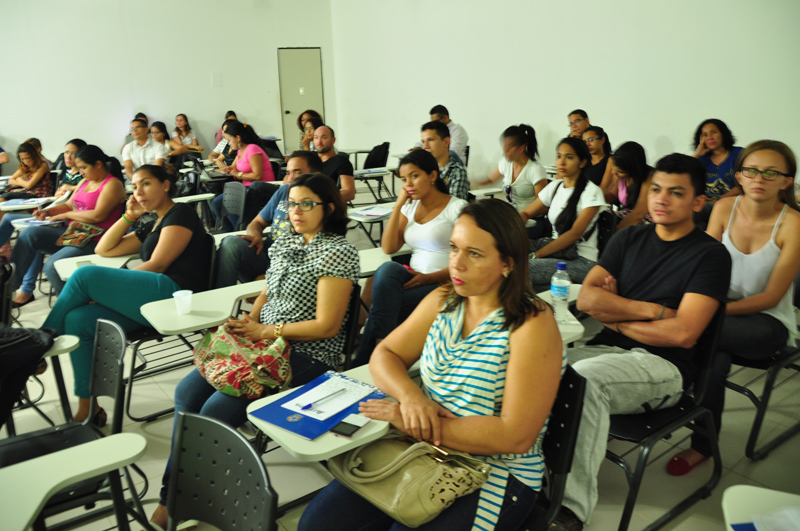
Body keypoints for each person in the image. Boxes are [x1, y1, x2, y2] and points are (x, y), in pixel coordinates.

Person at [300, 199, 564, 531]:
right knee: (318, 524)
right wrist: (412, 399)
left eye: (474, 254)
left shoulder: (531, 324)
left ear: (507, 263)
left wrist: (408, 421)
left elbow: (515, 437)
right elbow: (386, 354)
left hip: (496, 471)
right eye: (454, 249)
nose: (457, 264)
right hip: (425, 450)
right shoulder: (444, 300)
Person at [148, 173, 359, 529]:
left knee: (215, 410)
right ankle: (186, 489)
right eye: (291, 203)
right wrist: (249, 323)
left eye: (307, 204)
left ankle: (178, 499)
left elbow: (327, 326)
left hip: (309, 354)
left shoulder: (337, 252)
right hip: (265, 342)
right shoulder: (288, 241)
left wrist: (267, 331)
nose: (296, 211)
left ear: (330, 207)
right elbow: (269, 289)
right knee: (186, 392)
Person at [550, 153, 731, 531]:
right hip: (608, 347)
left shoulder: (710, 255)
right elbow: (587, 300)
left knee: (583, 379)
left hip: (666, 368)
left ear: (698, 202)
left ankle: (569, 511)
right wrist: (653, 311)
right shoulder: (628, 238)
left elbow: (683, 334)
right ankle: (530, 476)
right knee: (536, 363)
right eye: (656, 190)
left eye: (676, 193)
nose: (661, 200)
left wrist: (618, 316)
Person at [41, 165, 212, 425]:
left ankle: (38, 344)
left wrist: (105, 291)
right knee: (79, 319)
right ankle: (88, 408)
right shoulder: (152, 223)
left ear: (165, 185)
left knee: (85, 276)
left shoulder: (181, 213)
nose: (139, 192)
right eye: (135, 186)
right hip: (154, 298)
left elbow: (158, 265)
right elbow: (104, 249)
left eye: (146, 184)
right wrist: (129, 217)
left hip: (176, 294)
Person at [668, 140, 800, 476]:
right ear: (739, 175)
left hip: (767, 323)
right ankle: (703, 445)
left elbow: (771, 297)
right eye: (752, 170)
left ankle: (668, 404)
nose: (760, 178)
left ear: (786, 181)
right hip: (718, 316)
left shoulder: (793, 224)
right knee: (714, 356)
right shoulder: (725, 209)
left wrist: (703, 313)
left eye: (771, 173)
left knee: (691, 331)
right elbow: (704, 266)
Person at [354, 150, 468, 366]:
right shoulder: (410, 207)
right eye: (404, 179)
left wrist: (429, 278)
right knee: (386, 270)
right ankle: (381, 349)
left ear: (432, 176)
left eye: (414, 176)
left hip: (445, 284)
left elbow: (467, 262)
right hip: (413, 280)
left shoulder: (457, 207)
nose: (408, 184)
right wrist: (398, 206)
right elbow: (389, 247)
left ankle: (372, 354)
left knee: (384, 305)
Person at [10, 145, 126, 303]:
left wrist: (66, 215)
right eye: (79, 168)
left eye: (84, 167)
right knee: (29, 234)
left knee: (53, 265)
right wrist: (48, 211)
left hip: (95, 239)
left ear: (98, 164)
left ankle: (71, 305)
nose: (82, 172)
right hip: (73, 233)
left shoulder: (112, 184)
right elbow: (69, 205)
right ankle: (8, 287)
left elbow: (98, 215)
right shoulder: (85, 182)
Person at [215, 151, 323, 287]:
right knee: (229, 243)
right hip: (266, 254)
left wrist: (270, 275)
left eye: (297, 172)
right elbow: (257, 222)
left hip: (293, 269)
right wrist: (256, 236)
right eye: (288, 173)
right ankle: (222, 297)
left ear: (316, 176)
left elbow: (315, 257)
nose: (290, 179)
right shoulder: (284, 191)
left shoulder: (320, 206)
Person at [520, 137, 606, 292]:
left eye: (569, 157)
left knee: (526, 269)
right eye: (559, 156)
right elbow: (526, 213)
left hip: (581, 261)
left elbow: (574, 233)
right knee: (507, 254)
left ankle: (571, 290)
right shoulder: (555, 186)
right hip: (558, 252)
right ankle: (565, 288)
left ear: (583, 162)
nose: (561, 161)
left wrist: (537, 255)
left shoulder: (592, 192)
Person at [479, 124, 549, 238]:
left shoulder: (535, 170)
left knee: (503, 237)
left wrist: (524, 215)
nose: (504, 152)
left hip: (532, 221)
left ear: (521, 148)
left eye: (508, 149)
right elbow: (490, 180)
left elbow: (543, 206)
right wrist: (472, 183)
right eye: (504, 148)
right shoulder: (505, 163)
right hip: (512, 218)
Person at [210, 120, 276, 231]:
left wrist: (238, 174)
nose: (229, 144)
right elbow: (233, 167)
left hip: (259, 189)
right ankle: (231, 230)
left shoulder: (252, 149)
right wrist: (227, 169)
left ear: (238, 138)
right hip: (246, 188)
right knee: (217, 202)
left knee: (227, 202)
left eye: (230, 140)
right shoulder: (240, 150)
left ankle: (239, 230)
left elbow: (257, 176)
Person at [693, 118, 744, 202]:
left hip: (732, 203)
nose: (709, 137)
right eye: (705, 135)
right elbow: (680, 177)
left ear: (723, 134)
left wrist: (719, 200)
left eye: (713, 132)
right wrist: (696, 155)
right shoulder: (700, 159)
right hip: (704, 204)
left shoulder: (739, 154)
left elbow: (745, 184)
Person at [607, 142, 655, 230]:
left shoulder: (649, 176)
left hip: (642, 220)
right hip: (627, 214)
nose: (613, 173)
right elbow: (612, 195)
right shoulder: (620, 174)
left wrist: (615, 234)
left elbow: (639, 212)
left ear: (633, 170)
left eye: (620, 171)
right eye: (613, 168)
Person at [420, 120, 469, 200]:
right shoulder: (421, 169)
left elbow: (456, 208)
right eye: (423, 142)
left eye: (430, 140)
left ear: (446, 142)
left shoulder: (456, 172)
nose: (425, 146)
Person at [313, 125, 355, 202]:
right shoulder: (310, 159)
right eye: (316, 138)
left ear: (333, 140)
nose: (319, 142)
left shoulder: (341, 162)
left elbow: (349, 192)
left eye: (324, 137)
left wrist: (321, 201)